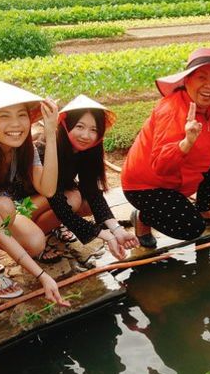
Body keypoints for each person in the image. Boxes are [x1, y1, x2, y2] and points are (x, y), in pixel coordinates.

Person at [122, 47, 210, 248]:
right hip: (147, 185)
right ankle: (143, 217)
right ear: (187, 80)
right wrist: (185, 143)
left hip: (178, 181)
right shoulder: (171, 109)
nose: (209, 85)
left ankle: (203, 206)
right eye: (201, 78)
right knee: (191, 227)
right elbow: (160, 166)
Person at [0, 80, 67, 303]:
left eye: (21, 115)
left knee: (35, 242)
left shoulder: (22, 148)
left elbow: (48, 188)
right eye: (4, 116)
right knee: (3, 207)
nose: (16, 124)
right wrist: (41, 276)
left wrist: (50, 133)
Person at [37, 95, 139, 260]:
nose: (86, 135)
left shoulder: (86, 151)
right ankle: (36, 239)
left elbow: (92, 191)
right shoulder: (45, 149)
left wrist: (116, 229)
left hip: (56, 198)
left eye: (94, 130)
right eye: (80, 126)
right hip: (27, 206)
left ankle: (54, 227)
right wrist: (104, 235)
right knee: (73, 199)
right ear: (66, 124)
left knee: (88, 204)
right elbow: (57, 203)